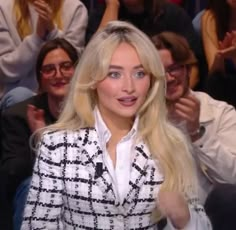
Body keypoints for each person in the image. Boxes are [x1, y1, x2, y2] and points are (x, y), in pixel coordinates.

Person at [21, 21, 211, 229]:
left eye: (139, 73)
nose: (129, 87)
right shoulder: (57, 146)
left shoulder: (170, 143)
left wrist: (184, 218)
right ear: (92, 79)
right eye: (115, 74)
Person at [151, 31, 236, 228]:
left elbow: (232, 180)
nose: (169, 78)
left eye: (174, 69)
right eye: (160, 72)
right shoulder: (143, 120)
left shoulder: (221, 113)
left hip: (215, 218)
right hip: (163, 218)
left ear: (188, 70)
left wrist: (197, 133)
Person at [0, 38, 78, 230]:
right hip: (35, 194)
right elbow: (12, 174)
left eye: (66, 66)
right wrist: (40, 140)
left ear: (78, 71)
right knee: (33, 187)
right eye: (49, 69)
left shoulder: (95, 113)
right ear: (40, 79)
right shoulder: (19, 116)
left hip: (83, 193)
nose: (58, 75)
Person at [86, 0, 202, 89]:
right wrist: (112, 5)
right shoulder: (103, 15)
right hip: (122, 95)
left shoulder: (173, 15)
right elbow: (92, 63)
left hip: (166, 98)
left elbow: (193, 68)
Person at [0, 0, 87, 109]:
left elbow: (75, 64)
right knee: (20, 96)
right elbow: (4, 72)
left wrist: (53, 31)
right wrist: (37, 38)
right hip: (20, 94)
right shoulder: (3, 7)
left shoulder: (75, 7)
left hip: (63, 95)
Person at [201, 0, 236, 107]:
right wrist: (220, 56)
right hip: (226, 91)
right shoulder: (211, 17)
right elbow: (215, 74)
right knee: (216, 82)